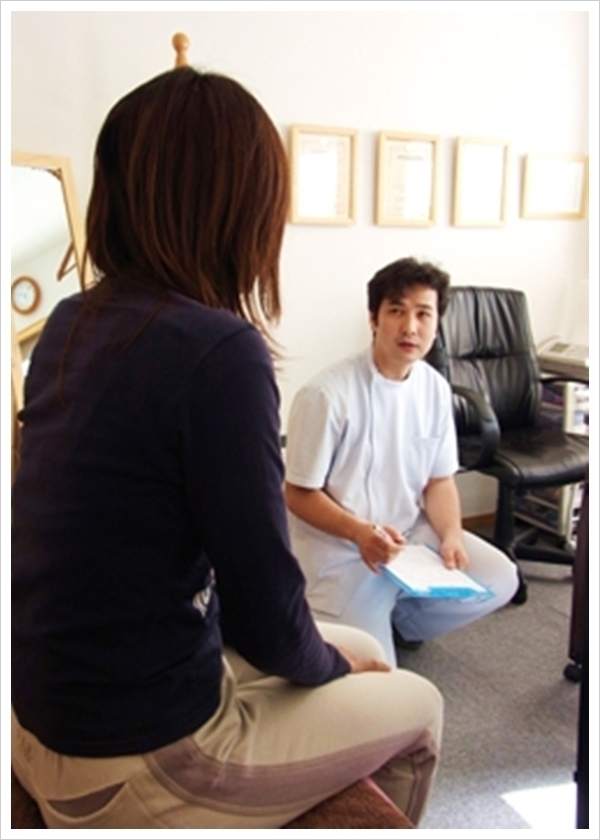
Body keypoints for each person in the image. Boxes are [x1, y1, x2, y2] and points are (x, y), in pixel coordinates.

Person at [11, 69, 444, 829]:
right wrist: (332, 665)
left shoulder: (73, 322)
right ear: (241, 206)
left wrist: (329, 656)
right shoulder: (219, 351)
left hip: (37, 712)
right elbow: (267, 609)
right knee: (416, 701)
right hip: (130, 758)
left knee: (347, 644)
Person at [284, 257, 519, 667]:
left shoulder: (435, 389)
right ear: (373, 318)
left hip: (410, 541)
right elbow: (298, 493)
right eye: (396, 311)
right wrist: (360, 532)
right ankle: (351, 615)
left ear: (436, 324)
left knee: (501, 578)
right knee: (377, 675)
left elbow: (439, 480)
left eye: (423, 314)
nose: (410, 327)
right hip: (345, 551)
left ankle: (400, 618)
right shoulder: (326, 394)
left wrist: (451, 535)